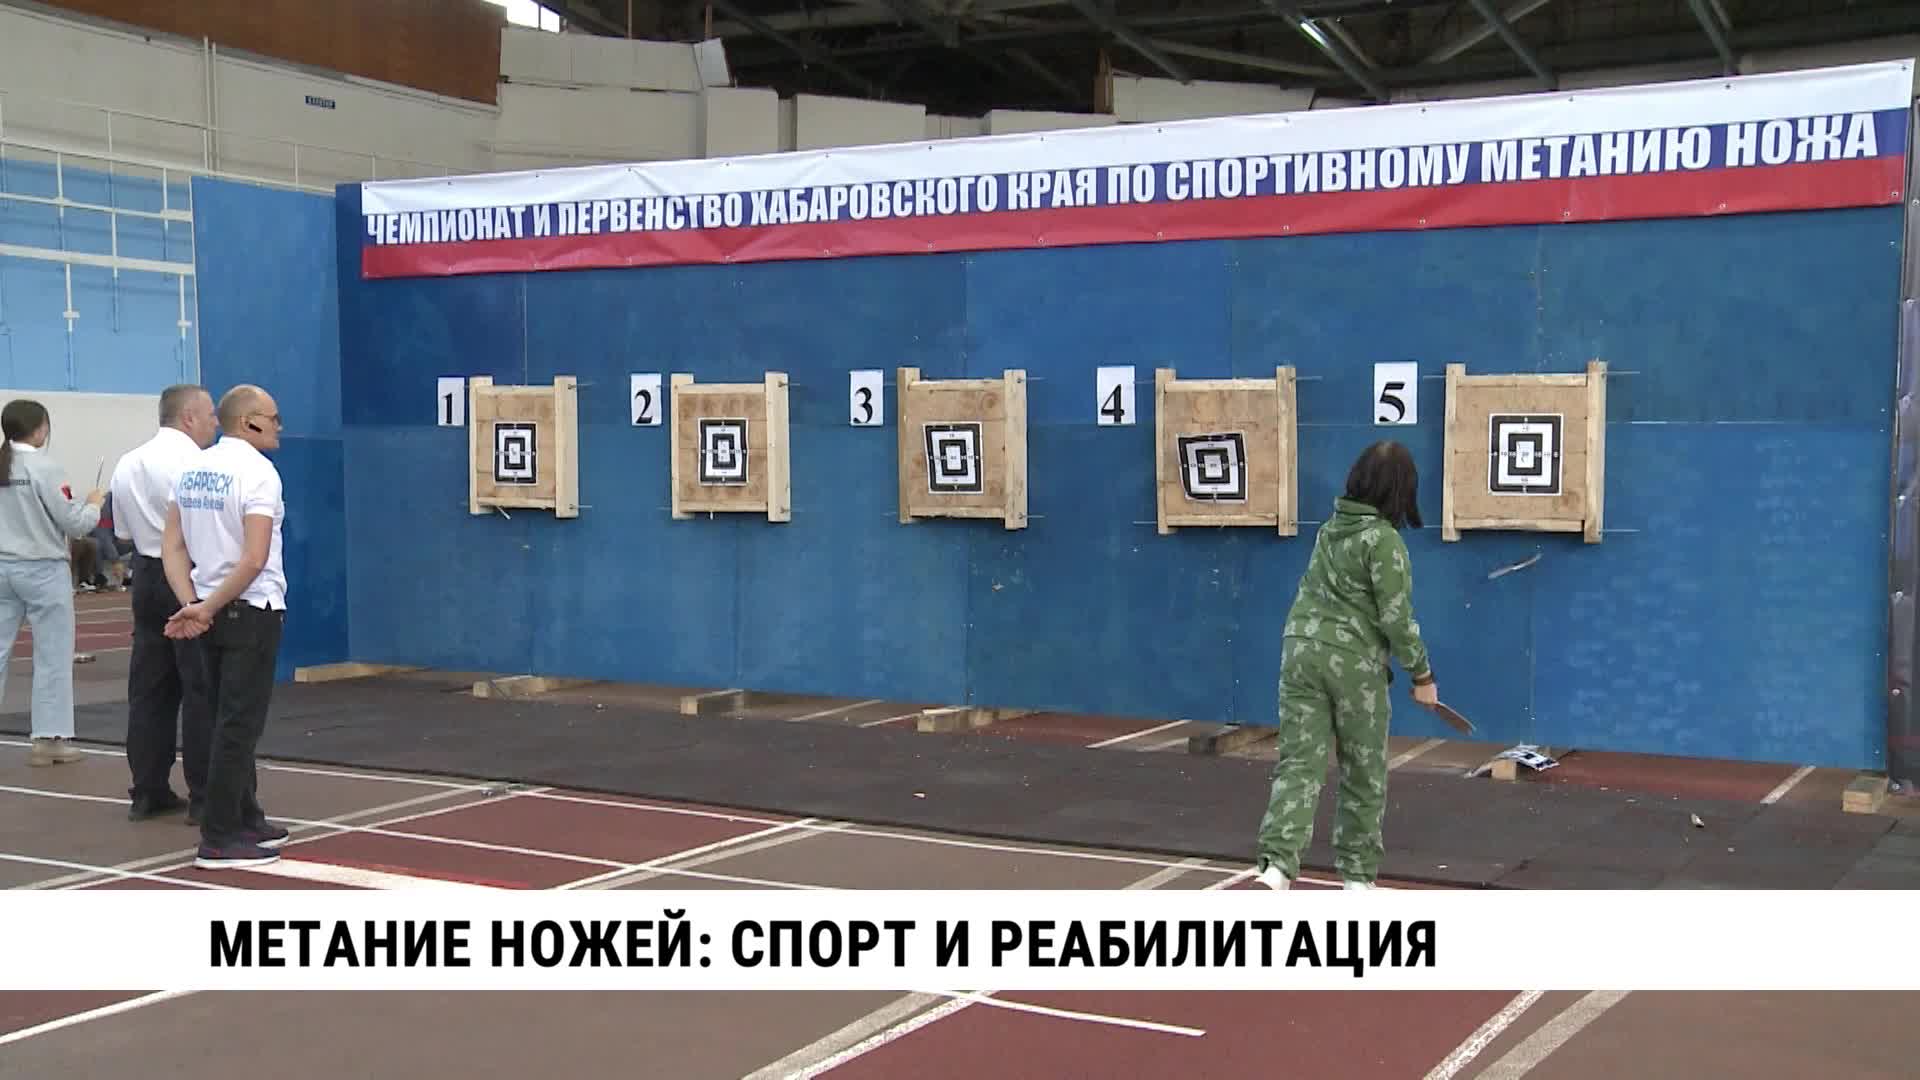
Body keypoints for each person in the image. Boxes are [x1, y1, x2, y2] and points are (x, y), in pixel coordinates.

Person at [1254, 441, 1438, 891]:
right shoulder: (1385, 541)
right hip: (1354, 664)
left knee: (1299, 764)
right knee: (1363, 770)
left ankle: (1276, 869)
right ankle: (1357, 879)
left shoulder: (1328, 530)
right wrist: (1422, 674)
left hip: (1299, 651)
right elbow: (1396, 618)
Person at [160, 384, 288, 869]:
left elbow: (172, 545)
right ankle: (218, 836)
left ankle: (245, 815)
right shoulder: (260, 473)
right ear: (248, 421)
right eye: (273, 418)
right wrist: (207, 606)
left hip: (208, 612)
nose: (278, 427)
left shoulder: (192, 468)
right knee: (238, 725)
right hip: (250, 610)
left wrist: (192, 604)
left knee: (222, 718)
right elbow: (254, 558)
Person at [110, 384, 220, 821]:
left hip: (145, 574)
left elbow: (121, 534)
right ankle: (205, 795)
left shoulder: (128, 461)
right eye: (210, 415)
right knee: (200, 687)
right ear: (188, 417)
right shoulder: (198, 464)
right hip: (186, 573)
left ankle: (147, 789)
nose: (215, 423)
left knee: (149, 689)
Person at [0, 399, 105, 766]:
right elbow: (75, 523)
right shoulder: (45, 468)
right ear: (41, 429)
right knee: (53, 655)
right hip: (42, 570)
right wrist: (94, 504)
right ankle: (48, 739)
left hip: (2, 569)